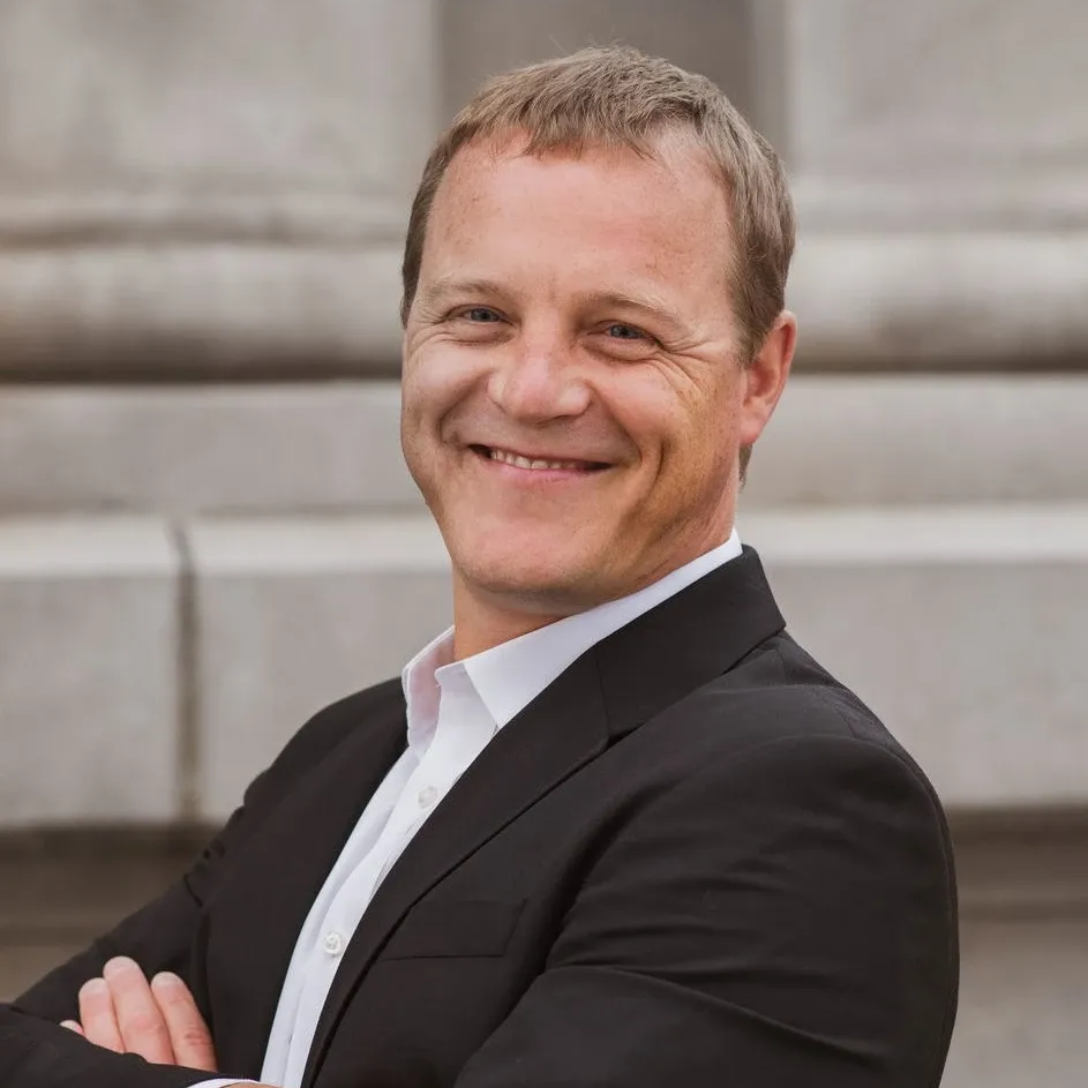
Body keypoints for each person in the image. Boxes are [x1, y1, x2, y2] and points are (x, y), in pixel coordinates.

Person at [1, 46, 958, 1088]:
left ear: (757, 378)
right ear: (408, 331)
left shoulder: (799, 798)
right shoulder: (344, 756)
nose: (534, 386)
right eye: (478, 315)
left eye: (620, 331)